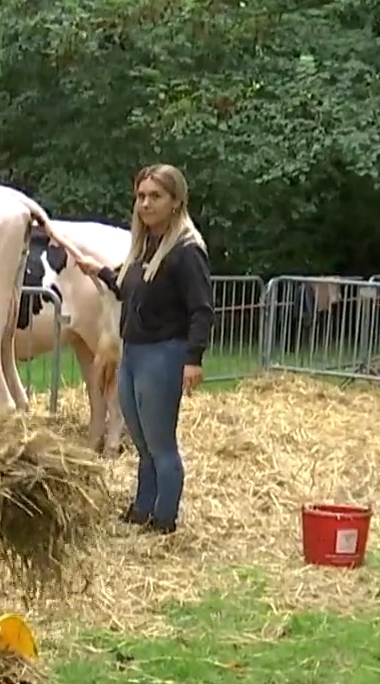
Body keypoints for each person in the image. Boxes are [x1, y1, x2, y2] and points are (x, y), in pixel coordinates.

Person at [82, 164, 215, 534]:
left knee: (160, 442)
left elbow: (202, 309)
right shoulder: (145, 247)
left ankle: (164, 519)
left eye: (155, 196)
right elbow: (129, 290)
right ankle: (143, 508)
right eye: (141, 196)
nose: (145, 203)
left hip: (164, 353)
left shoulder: (187, 251)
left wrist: (193, 359)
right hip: (134, 351)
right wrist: (99, 272)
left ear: (176, 201)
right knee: (141, 439)